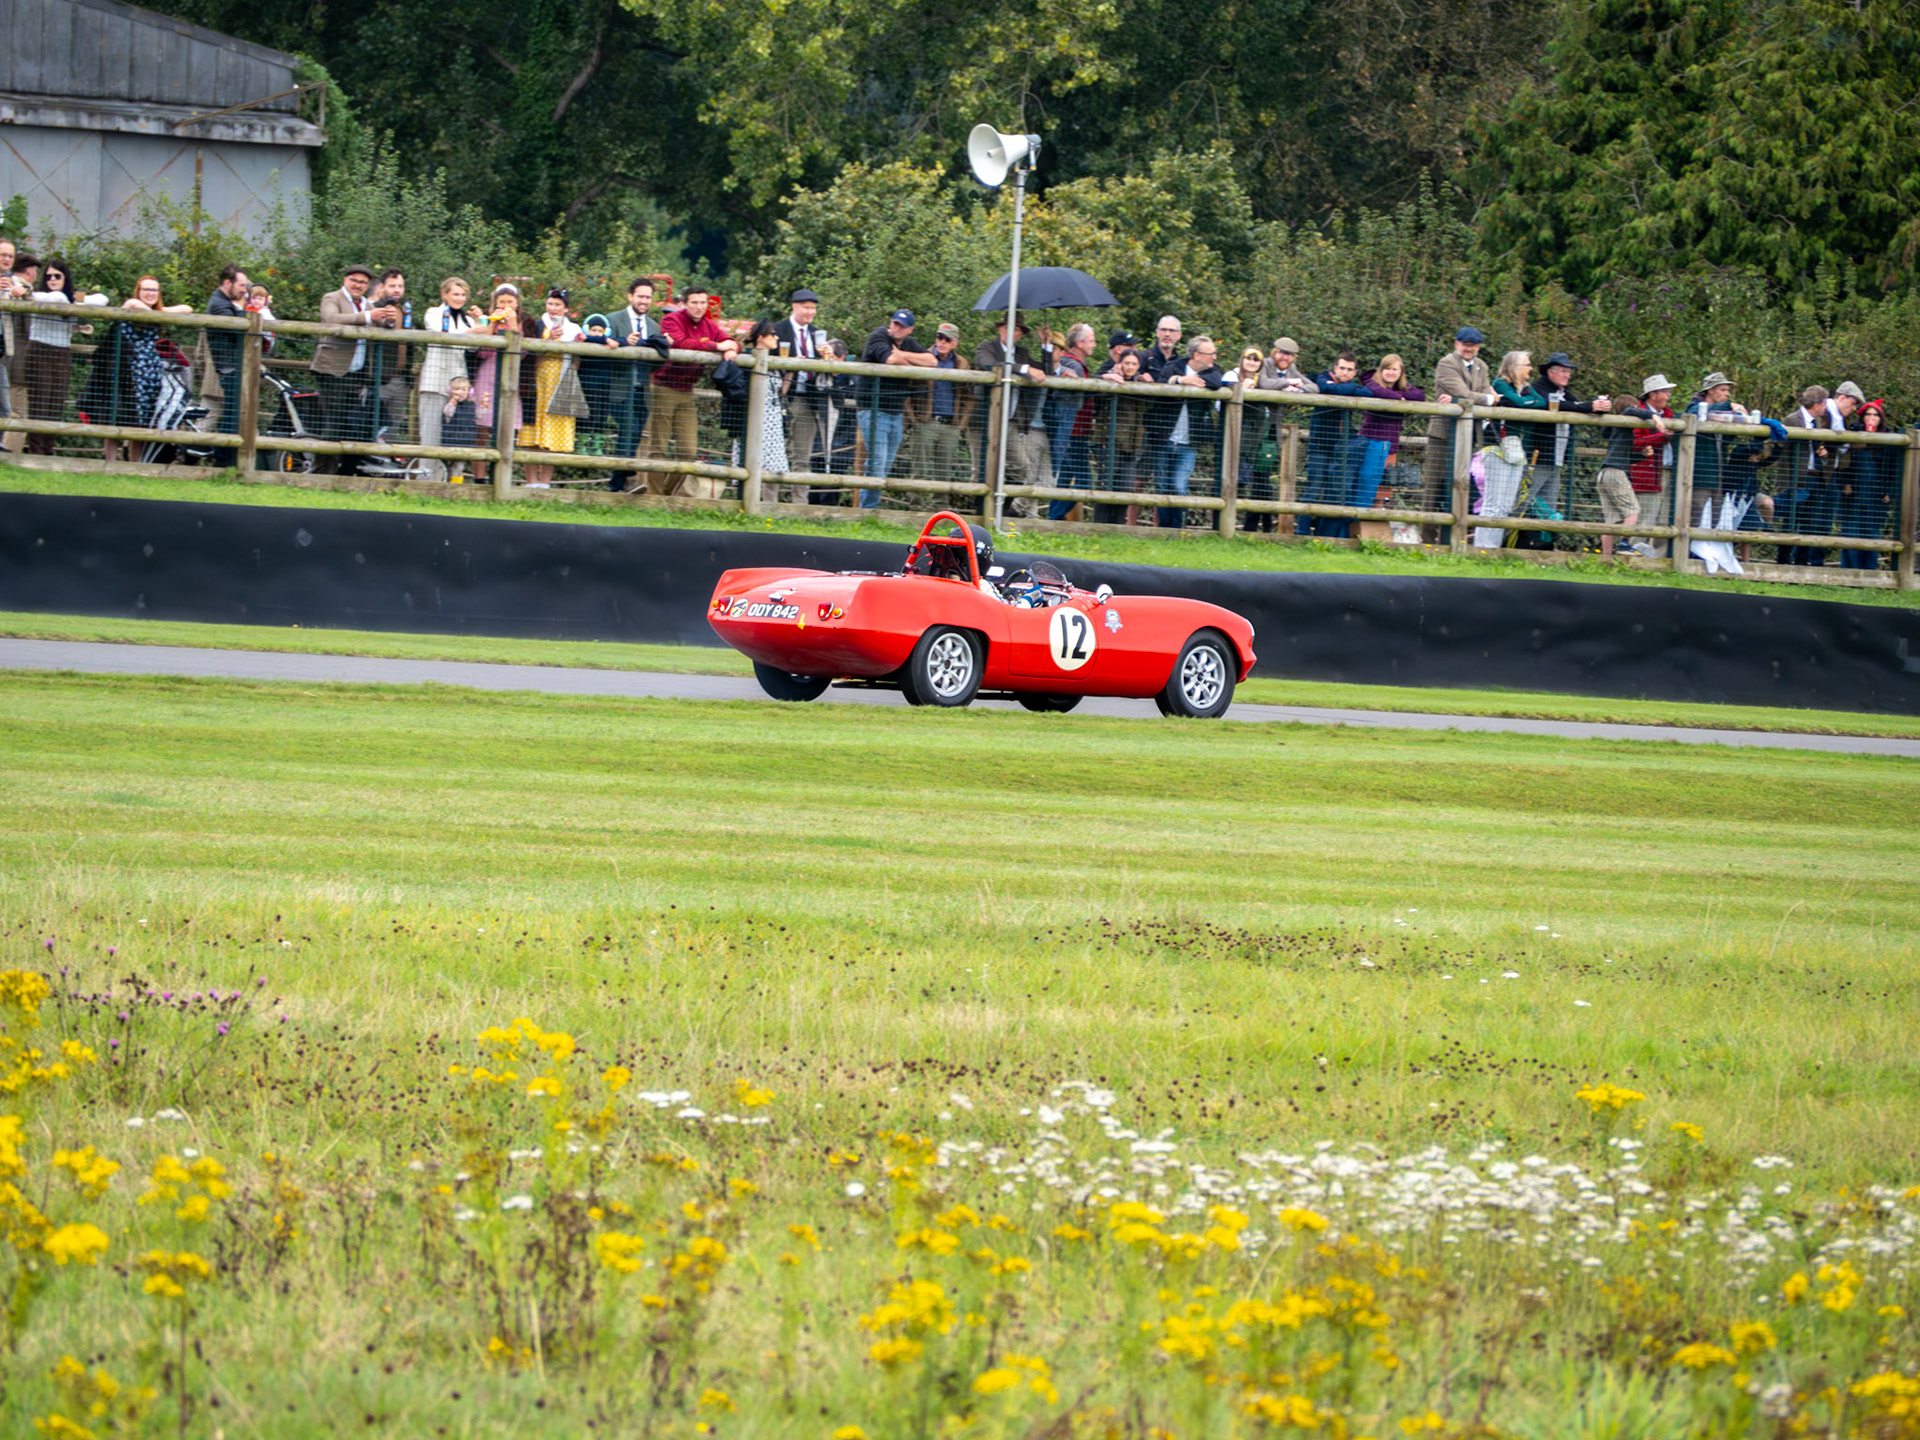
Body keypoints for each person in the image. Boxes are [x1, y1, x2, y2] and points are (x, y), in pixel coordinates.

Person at [84, 275, 191, 464]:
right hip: (125, 372)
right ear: (138, 291)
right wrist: (159, 312)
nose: (150, 294)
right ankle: (110, 461)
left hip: (149, 375)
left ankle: (135, 464)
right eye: (146, 290)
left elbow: (187, 309)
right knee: (116, 415)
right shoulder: (132, 304)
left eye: (154, 290)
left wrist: (159, 310)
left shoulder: (157, 311)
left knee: (141, 420)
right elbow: (134, 305)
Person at [650, 283, 738, 496]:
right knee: (658, 447)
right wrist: (716, 347)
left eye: (703, 302)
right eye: (694, 302)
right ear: (684, 304)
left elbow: (731, 342)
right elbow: (680, 343)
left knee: (688, 451)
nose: (699, 307)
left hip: (687, 391)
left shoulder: (709, 325)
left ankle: (667, 495)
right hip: (663, 387)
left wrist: (731, 347)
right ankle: (652, 497)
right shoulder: (671, 320)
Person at [310, 264, 396, 464]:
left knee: (353, 425)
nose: (358, 285)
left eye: (363, 282)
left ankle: (347, 472)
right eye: (354, 281)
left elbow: (379, 322)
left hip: (355, 374)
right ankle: (322, 473)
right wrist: (368, 316)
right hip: (332, 371)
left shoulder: (365, 303)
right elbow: (331, 318)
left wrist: (389, 320)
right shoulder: (332, 298)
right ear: (345, 280)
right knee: (334, 424)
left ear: (368, 286)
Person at [1423, 326, 1495, 542]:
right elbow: (1465, 394)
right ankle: (1426, 539)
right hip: (1443, 434)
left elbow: (1471, 394)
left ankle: (1455, 539)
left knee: (1461, 487)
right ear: (1456, 343)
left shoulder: (1482, 366)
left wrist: (1477, 397)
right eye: (1465, 344)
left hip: (1469, 436)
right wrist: (1489, 399)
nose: (1469, 348)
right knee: (1434, 487)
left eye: (1473, 345)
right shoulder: (1447, 363)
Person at [856, 308, 935, 507]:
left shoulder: (907, 344)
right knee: (877, 463)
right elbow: (890, 359)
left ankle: (870, 510)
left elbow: (932, 361)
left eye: (901, 326)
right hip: (873, 410)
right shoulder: (878, 336)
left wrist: (902, 354)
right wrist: (911, 360)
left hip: (896, 412)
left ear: (910, 329)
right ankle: (868, 511)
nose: (896, 328)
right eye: (894, 323)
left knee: (886, 464)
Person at [1147, 334, 1223, 528]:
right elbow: (1162, 381)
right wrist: (1180, 380)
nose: (1214, 357)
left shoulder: (1212, 371)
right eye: (1210, 353)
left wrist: (1192, 380)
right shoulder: (1175, 366)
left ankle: (1179, 528)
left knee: (1179, 486)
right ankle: (1165, 529)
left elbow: (1215, 382)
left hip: (1188, 444)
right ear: (1197, 355)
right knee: (1163, 487)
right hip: (1163, 439)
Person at [1522, 352, 1610, 516]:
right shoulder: (1537, 389)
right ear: (1551, 372)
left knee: (1548, 507)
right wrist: (1590, 406)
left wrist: (1599, 406)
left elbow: (1577, 405)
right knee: (1523, 502)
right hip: (1538, 457)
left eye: (1568, 372)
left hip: (1556, 459)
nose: (1567, 375)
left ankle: (1541, 540)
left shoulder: (1562, 391)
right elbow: (1566, 406)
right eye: (1563, 371)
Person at [417, 277, 485, 480]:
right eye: (455, 294)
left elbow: (474, 346)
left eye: (463, 295)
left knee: (458, 436)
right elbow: (441, 334)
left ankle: (454, 482)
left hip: (458, 386)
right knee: (430, 436)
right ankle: (426, 482)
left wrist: (479, 322)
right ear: (444, 294)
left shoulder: (466, 319)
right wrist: (469, 332)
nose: (459, 298)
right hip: (435, 381)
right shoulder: (433, 313)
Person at [22, 256, 89, 456]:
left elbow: (102, 300)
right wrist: (68, 299)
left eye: (57, 276)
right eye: (49, 276)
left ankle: (48, 449)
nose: (52, 279)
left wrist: (76, 300)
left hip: (62, 352)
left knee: (56, 402)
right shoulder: (41, 295)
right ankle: (36, 451)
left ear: (65, 277)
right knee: (39, 402)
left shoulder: (73, 299)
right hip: (39, 349)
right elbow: (55, 299)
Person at [904, 321, 974, 505]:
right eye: (939, 337)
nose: (941, 342)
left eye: (947, 339)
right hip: (925, 423)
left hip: (950, 424)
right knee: (920, 469)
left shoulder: (962, 364)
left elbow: (969, 398)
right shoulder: (923, 357)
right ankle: (916, 507)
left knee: (944, 472)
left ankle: (941, 511)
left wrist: (961, 425)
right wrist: (913, 420)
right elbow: (906, 391)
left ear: (955, 342)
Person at [604, 278, 664, 491]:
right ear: (630, 296)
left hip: (642, 389)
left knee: (635, 433)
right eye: (640, 296)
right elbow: (599, 346)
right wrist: (622, 343)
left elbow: (658, 361)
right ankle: (627, 477)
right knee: (630, 428)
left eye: (648, 297)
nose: (644, 301)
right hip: (618, 388)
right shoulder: (612, 320)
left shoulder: (654, 326)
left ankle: (618, 484)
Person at [520, 289, 584, 488]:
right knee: (530, 435)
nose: (553, 309)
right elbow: (528, 353)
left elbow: (577, 361)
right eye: (550, 304)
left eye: (557, 305)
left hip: (560, 383)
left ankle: (545, 482)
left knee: (553, 436)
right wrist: (546, 341)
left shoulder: (574, 329)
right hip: (536, 384)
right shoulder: (536, 325)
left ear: (566, 308)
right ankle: (531, 481)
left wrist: (578, 345)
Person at [1352, 355, 1425, 522]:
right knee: (1364, 483)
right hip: (1369, 442)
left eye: (1395, 369)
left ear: (1401, 373)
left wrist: (1399, 396)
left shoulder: (1405, 389)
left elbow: (1420, 396)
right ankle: (1358, 522)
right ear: (1381, 369)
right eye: (1387, 368)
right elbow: (1377, 391)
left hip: (1390, 446)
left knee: (1383, 487)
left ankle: (1375, 525)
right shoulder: (1371, 384)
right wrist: (1399, 399)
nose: (1390, 372)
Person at [1302, 352, 1368, 536]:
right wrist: (1347, 388)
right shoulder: (1321, 378)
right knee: (1313, 490)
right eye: (1342, 368)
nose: (1345, 372)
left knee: (1336, 494)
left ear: (1355, 372)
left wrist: (1347, 387)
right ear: (1334, 367)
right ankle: (1302, 533)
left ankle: (1326, 536)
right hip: (1320, 446)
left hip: (1342, 448)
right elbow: (1325, 388)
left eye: (1349, 369)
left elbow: (1367, 392)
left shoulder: (1351, 385)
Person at [1091, 349, 1153, 524]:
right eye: (1127, 363)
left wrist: (1150, 385)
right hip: (1109, 441)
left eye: (1134, 364)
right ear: (1119, 363)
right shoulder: (1108, 378)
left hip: (1132, 444)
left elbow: (1147, 407)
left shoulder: (1140, 384)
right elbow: (1096, 393)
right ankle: (1101, 525)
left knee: (1124, 487)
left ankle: (1118, 526)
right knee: (1106, 485)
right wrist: (1107, 377)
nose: (1130, 367)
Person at [1043, 322, 1096, 519]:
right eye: (1091, 341)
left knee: (1063, 480)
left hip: (1073, 429)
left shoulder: (1073, 363)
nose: (1094, 345)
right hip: (1072, 431)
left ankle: (1053, 520)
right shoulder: (1072, 363)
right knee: (1083, 482)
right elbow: (1085, 389)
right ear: (1080, 342)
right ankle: (1053, 518)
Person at [1838, 399, 1898, 570]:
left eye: (1875, 415)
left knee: (1872, 532)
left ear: (1881, 418)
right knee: (1851, 530)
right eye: (1868, 414)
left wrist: (1889, 492)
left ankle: (1870, 571)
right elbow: (1843, 461)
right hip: (1854, 493)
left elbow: (1893, 469)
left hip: (1876, 493)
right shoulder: (1853, 434)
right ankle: (1849, 570)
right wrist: (1845, 483)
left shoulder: (1890, 438)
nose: (1871, 418)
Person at [198, 263, 249, 466]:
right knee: (232, 416)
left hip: (231, 367)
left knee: (233, 414)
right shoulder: (220, 305)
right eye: (241, 285)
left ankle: (225, 459)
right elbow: (239, 331)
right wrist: (243, 312)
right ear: (227, 283)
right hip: (229, 367)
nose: (245, 290)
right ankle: (224, 461)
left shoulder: (225, 303)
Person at [773, 289, 827, 476]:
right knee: (772, 453)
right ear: (794, 306)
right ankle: (767, 502)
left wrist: (827, 357)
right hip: (781, 397)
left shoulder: (817, 333)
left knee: (803, 457)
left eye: (813, 308)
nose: (810, 312)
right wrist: (792, 363)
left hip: (809, 398)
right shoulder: (777, 330)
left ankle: (799, 504)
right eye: (806, 308)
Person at [1628, 375, 1677, 557]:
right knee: (1645, 517)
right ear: (1653, 394)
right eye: (1665, 391)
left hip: (1667, 471)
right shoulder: (1637, 413)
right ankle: (1635, 554)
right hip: (1646, 473)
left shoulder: (1669, 415)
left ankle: (1660, 558)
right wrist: (1662, 437)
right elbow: (1635, 442)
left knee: (1665, 518)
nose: (1668, 395)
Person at [1232, 346, 1280, 532]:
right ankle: (1221, 527)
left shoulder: (1264, 381)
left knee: (1262, 487)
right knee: (1234, 484)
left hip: (1260, 443)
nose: (1251, 363)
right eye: (1248, 359)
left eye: (1256, 360)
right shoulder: (1233, 375)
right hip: (1238, 441)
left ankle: (1258, 529)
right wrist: (1242, 389)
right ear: (1242, 359)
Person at [739, 320, 791, 488]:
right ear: (761, 337)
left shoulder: (774, 361)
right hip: (755, 418)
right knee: (752, 462)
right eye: (772, 334)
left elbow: (780, 392)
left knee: (773, 465)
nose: (776, 338)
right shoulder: (749, 358)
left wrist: (790, 370)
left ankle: (770, 506)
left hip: (773, 418)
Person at [440, 374, 479, 481]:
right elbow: (448, 413)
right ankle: (449, 485)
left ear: (469, 392)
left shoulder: (471, 405)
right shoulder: (450, 404)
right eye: (457, 389)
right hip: (451, 440)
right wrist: (453, 400)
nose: (460, 392)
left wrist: (484, 405)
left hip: (466, 441)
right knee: (449, 467)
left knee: (459, 467)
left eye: (463, 389)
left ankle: (455, 487)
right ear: (450, 391)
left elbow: (479, 416)